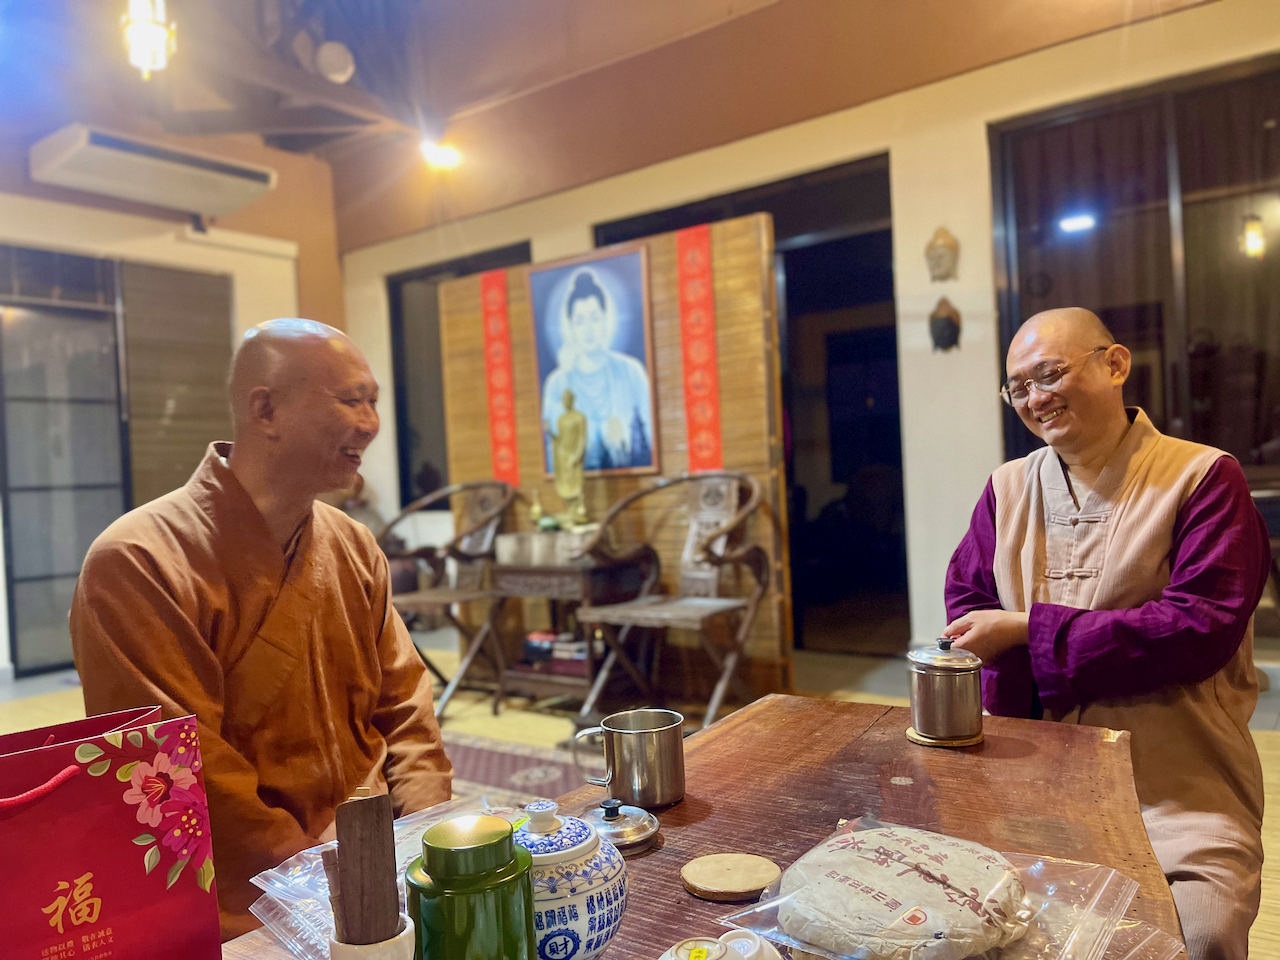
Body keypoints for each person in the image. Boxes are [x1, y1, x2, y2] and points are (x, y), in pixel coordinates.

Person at [70, 319, 452, 941]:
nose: (371, 423)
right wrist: (321, 878)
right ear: (265, 409)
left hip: (386, 866)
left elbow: (406, 707)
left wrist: (430, 836)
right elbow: (182, 772)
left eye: (374, 402)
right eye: (351, 400)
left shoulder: (353, 546)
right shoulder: (139, 561)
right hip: (245, 904)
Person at [944, 308, 1266, 960]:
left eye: (1049, 375)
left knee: (1200, 933)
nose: (1035, 398)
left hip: (1177, 786)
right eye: (1018, 387)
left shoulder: (1204, 476)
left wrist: (1027, 630)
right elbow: (968, 606)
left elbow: (1198, 627)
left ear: (1115, 365)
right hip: (1029, 780)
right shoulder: (1008, 488)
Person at [540, 269, 653, 470]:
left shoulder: (632, 372)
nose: (589, 329)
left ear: (606, 319)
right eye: (580, 321)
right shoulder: (557, 384)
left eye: (594, 318)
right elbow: (552, 453)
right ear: (570, 327)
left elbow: (650, 441)